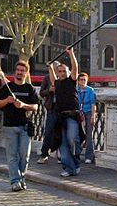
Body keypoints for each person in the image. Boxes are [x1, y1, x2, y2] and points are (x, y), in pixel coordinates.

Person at [0, 60, 38, 192]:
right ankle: (15, 181)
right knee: (12, 155)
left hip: (25, 126)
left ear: (26, 73)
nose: (20, 73)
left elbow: (35, 107)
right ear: (15, 72)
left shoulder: (29, 88)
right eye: (18, 70)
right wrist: (7, 101)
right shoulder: (7, 88)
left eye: (22, 71)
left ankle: (22, 178)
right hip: (10, 126)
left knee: (24, 156)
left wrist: (23, 105)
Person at [48, 49, 83, 178]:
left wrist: (71, 53)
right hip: (60, 116)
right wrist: (50, 67)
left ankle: (76, 161)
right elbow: (52, 75)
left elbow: (76, 67)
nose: (62, 73)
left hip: (72, 115)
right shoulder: (57, 83)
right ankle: (68, 168)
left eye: (64, 71)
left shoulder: (71, 81)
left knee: (72, 139)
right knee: (62, 143)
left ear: (68, 73)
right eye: (60, 71)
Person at [36, 62, 58, 164]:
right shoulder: (46, 78)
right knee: (48, 131)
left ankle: (61, 155)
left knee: (61, 132)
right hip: (51, 107)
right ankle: (44, 154)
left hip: (62, 108)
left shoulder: (63, 77)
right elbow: (41, 93)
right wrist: (49, 90)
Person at [77, 72, 97, 164]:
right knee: (77, 134)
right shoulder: (76, 90)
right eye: (81, 80)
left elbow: (93, 104)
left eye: (85, 80)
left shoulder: (90, 90)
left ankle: (89, 156)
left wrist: (93, 116)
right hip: (79, 113)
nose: (83, 82)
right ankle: (76, 154)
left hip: (88, 112)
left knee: (89, 134)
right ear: (78, 81)